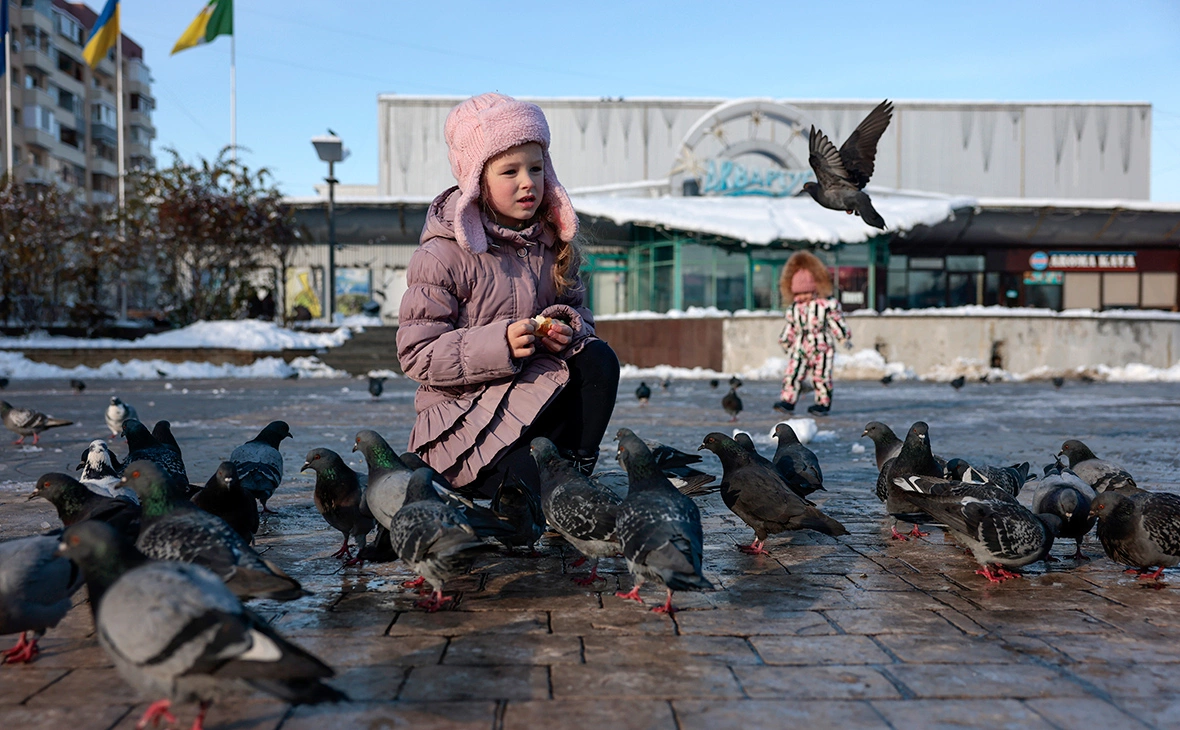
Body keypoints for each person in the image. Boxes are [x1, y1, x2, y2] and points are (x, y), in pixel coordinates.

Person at [397, 93, 620, 497]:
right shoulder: (442, 255)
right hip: (464, 419)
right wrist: (498, 342)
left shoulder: (552, 245)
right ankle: (529, 481)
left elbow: (580, 315)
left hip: (534, 400)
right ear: (476, 179)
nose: (527, 182)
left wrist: (566, 327)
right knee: (524, 493)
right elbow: (417, 355)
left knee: (597, 356)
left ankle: (576, 464)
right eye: (509, 171)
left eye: (536, 167)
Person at [772, 251, 851, 417]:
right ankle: (788, 400)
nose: (804, 297)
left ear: (816, 289)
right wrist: (786, 340)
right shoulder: (795, 308)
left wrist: (842, 336)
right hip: (800, 344)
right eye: (799, 294)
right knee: (792, 373)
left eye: (807, 292)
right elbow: (791, 325)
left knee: (820, 376)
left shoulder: (825, 305)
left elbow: (834, 321)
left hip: (821, 344)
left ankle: (822, 403)